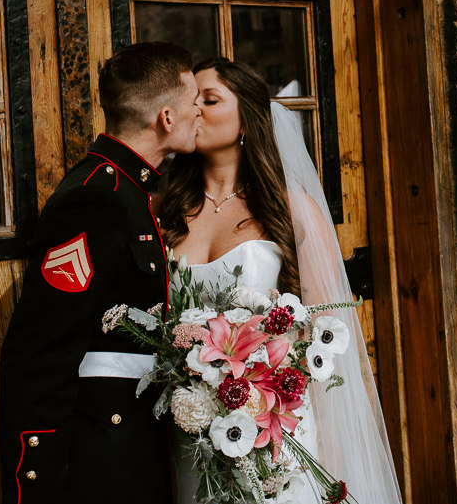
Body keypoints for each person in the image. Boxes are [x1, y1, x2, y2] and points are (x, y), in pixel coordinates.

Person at [157, 58, 403, 504]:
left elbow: (330, 340)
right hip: (191, 427)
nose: (195, 111)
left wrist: (330, 447)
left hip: (274, 426)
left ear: (248, 117)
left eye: (209, 101)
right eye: (191, 102)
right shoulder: (165, 211)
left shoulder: (290, 209)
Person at [0, 42, 200, 504]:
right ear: (166, 118)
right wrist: (36, 483)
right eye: (193, 104)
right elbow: (40, 354)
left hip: (135, 438)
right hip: (102, 456)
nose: (198, 115)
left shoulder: (130, 190)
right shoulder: (98, 198)